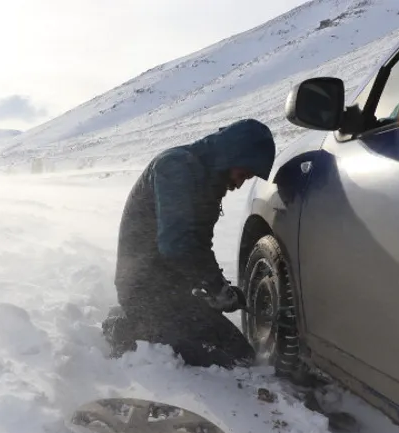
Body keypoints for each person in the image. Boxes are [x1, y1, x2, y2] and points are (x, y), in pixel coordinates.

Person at [102, 118, 276, 369]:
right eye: (243, 174)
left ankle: (148, 325)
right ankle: (126, 328)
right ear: (231, 156)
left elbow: (199, 247)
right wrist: (216, 288)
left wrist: (219, 288)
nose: (240, 184)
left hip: (172, 288)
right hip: (143, 290)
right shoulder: (176, 168)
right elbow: (177, 246)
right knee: (217, 360)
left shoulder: (206, 181)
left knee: (241, 354)